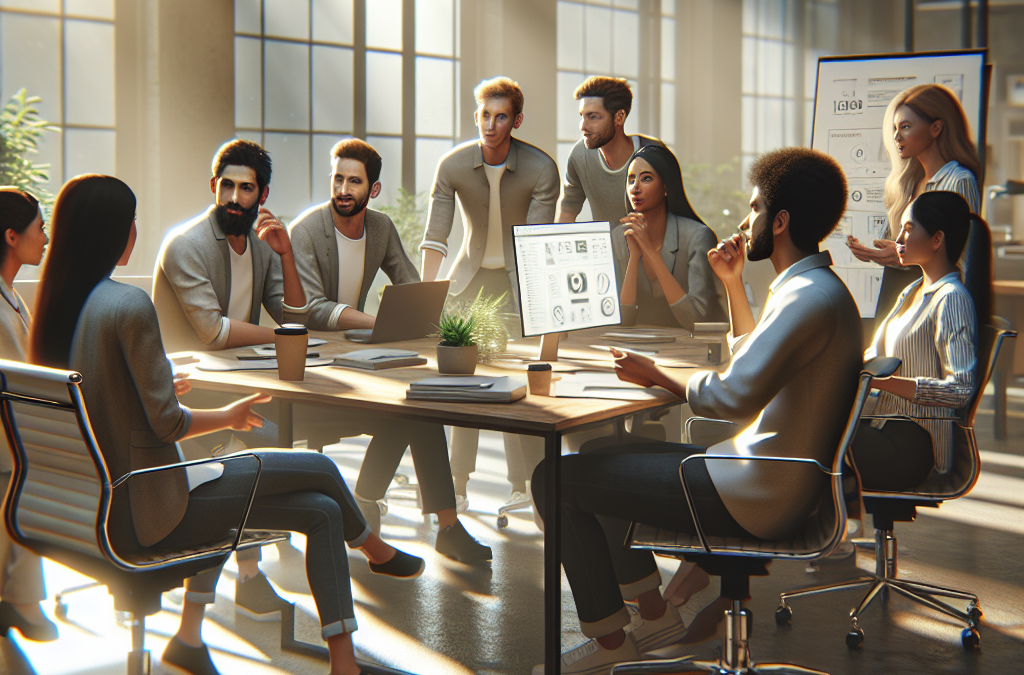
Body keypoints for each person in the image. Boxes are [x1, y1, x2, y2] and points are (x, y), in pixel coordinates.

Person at [31, 174, 424, 675]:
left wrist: (159, 385)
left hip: (99, 505)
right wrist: (229, 415)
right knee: (319, 468)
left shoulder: (65, 305)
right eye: (132, 220)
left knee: (322, 510)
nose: (135, 230)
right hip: (149, 507)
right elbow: (168, 426)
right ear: (112, 230)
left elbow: (104, 398)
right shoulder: (127, 305)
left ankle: (335, 662)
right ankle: (373, 548)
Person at [530, 148, 862, 674]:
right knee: (599, 450)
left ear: (779, 222)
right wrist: (732, 284)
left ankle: (613, 642)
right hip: (765, 478)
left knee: (553, 477)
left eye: (754, 209)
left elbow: (733, 395)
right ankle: (654, 612)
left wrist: (657, 373)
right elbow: (754, 363)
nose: (744, 222)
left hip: (755, 492)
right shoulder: (813, 289)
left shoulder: (807, 298)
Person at [288, 138, 490, 562]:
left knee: (419, 405)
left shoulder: (380, 228)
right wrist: (377, 323)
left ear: (373, 189)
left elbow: (411, 286)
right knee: (407, 410)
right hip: (309, 368)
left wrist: (448, 325)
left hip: (355, 357)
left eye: (354, 181)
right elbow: (311, 309)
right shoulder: (305, 231)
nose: (343, 189)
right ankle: (368, 503)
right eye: (338, 179)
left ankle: (444, 526)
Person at [152, 138, 310, 619]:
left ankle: (243, 573)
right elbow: (213, 331)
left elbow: (295, 315)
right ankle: (246, 575)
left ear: (263, 195)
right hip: (184, 395)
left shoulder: (261, 246)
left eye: (246, 189)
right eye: (227, 186)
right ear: (213, 186)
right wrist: (284, 338)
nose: (234, 198)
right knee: (257, 453)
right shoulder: (186, 244)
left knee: (280, 438)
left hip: (237, 385)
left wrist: (285, 254)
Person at [420, 76, 559, 513]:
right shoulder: (453, 165)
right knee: (465, 383)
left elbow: (536, 246)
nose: (491, 125)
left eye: (501, 117)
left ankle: (524, 485)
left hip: (518, 285)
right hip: (469, 282)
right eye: (485, 115)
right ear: (476, 116)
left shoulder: (541, 168)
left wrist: (542, 311)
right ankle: (457, 485)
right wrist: (426, 299)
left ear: (516, 121)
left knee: (516, 383)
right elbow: (435, 236)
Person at [853, 191, 990, 489]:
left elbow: (960, 389)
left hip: (917, 442)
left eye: (908, 229)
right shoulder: (912, 290)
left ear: (937, 239)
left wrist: (880, 382)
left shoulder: (951, 299)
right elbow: (874, 355)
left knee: (821, 444)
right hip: (885, 426)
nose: (898, 239)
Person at [846, 83, 981, 322]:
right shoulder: (907, 184)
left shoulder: (959, 180)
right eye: (895, 128)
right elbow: (903, 246)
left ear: (936, 128)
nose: (897, 136)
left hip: (933, 307)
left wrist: (902, 256)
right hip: (900, 293)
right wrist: (879, 253)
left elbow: (963, 262)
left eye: (906, 127)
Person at [0, 187, 58, 643]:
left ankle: (20, 599)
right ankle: (21, 600)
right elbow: (23, 378)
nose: (46, 237)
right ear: (11, 236)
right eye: (40, 228)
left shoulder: (11, 296)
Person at [615, 144, 727, 328]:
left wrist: (650, 253)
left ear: (666, 187)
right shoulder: (620, 236)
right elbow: (622, 320)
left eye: (646, 178)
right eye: (631, 179)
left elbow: (696, 319)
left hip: (693, 343)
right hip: (638, 344)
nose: (635, 188)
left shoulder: (698, 237)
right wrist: (634, 258)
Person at [556, 76, 662, 225]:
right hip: (604, 240)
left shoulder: (654, 153)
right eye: (582, 116)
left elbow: (675, 214)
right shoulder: (579, 155)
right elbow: (567, 212)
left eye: (593, 117)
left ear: (619, 117)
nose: (583, 126)